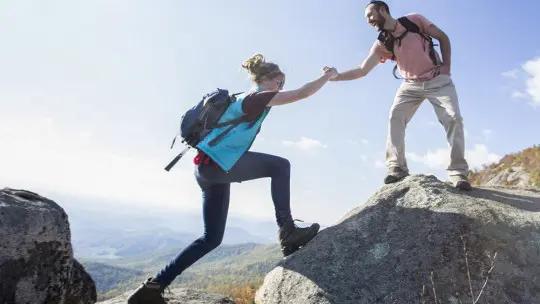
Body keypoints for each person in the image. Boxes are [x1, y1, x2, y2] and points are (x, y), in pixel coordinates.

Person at [127, 54, 339, 304]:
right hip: (217, 166)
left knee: (211, 239)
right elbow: (302, 93)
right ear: (266, 79)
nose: (280, 88)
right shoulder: (256, 98)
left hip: (208, 170)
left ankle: (152, 288)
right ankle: (288, 231)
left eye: (282, 85)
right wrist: (327, 76)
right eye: (279, 83)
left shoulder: (239, 98)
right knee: (281, 166)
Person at [331, 0, 471, 190]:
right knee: (395, 117)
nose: (369, 20)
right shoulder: (382, 43)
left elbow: (443, 37)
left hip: (438, 80)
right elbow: (363, 70)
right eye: (367, 18)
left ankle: (458, 173)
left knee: (453, 118)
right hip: (410, 85)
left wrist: (446, 67)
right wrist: (338, 76)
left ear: (383, 10)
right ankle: (397, 167)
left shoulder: (414, 20)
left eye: (371, 15)